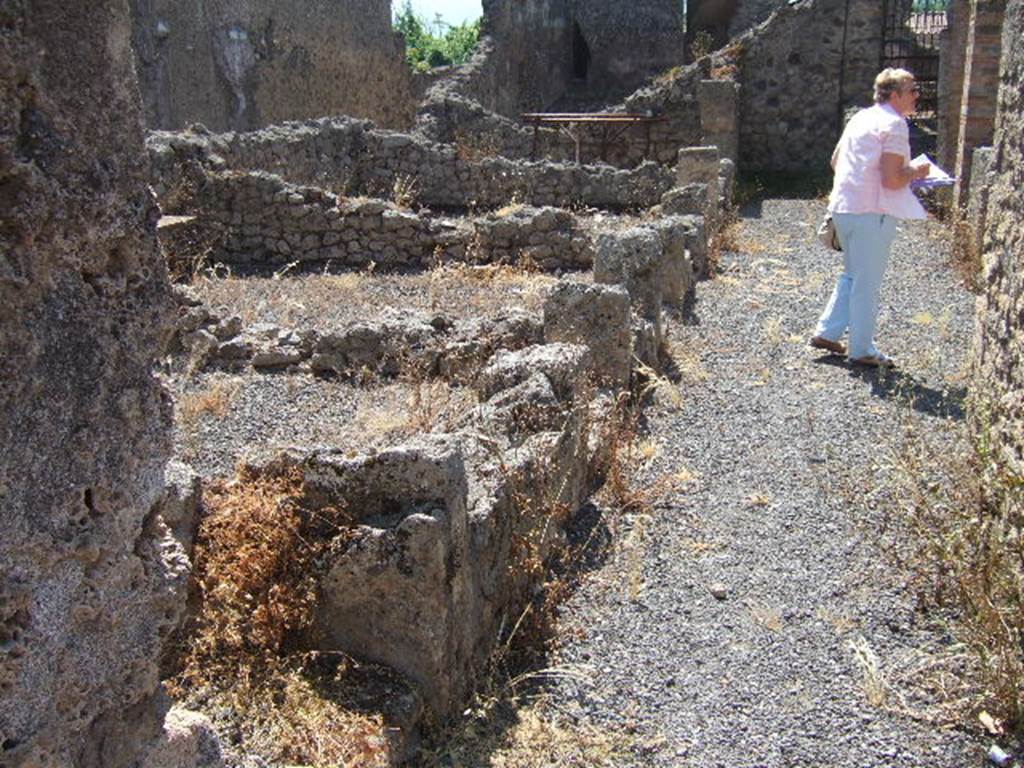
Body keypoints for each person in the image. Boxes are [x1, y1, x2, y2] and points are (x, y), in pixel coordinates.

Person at [809, 67, 931, 367]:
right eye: (912, 89)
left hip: (843, 207)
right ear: (895, 94)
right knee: (867, 282)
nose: (917, 95)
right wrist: (919, 171)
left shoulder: (861, 118)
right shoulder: (895, 124)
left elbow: (836, 160)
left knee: (852, 274)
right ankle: (862, 349)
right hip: (872, 212)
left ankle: (827, 331)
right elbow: (892, 180)